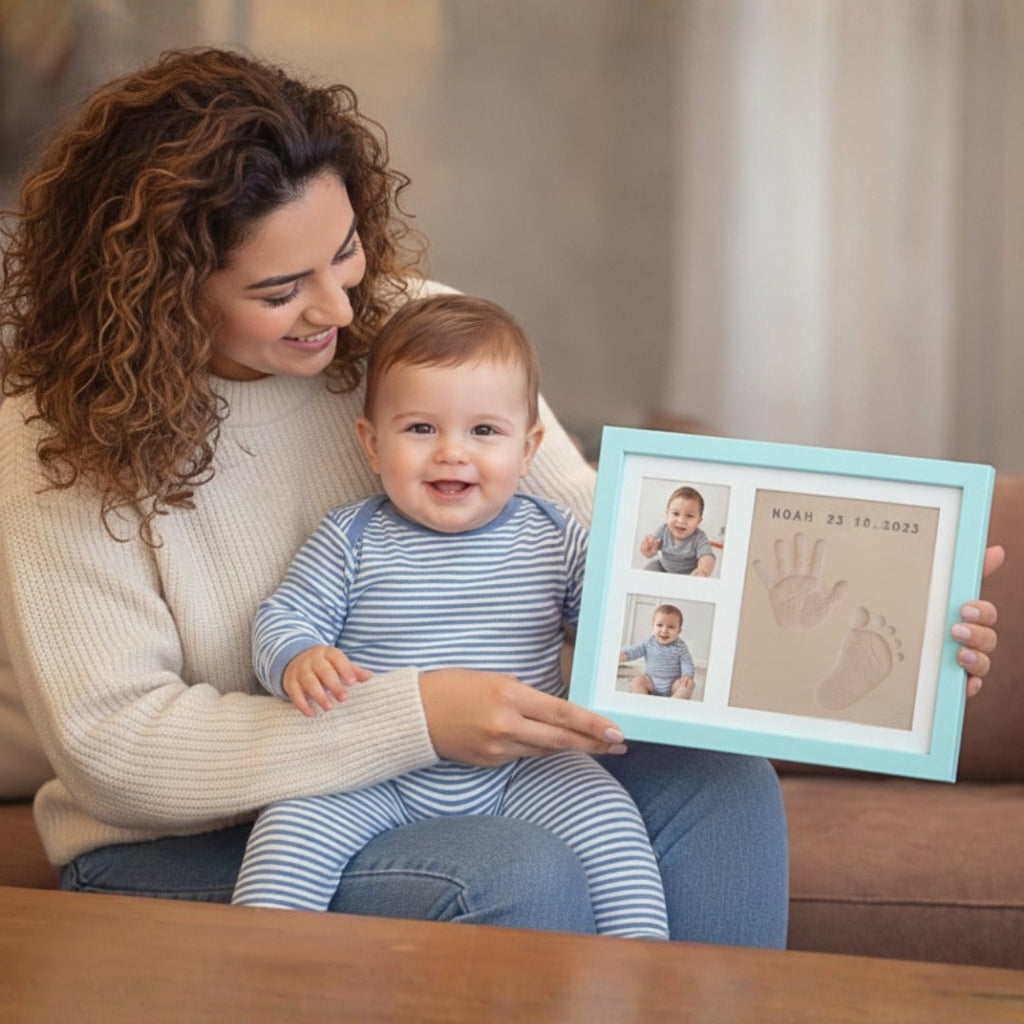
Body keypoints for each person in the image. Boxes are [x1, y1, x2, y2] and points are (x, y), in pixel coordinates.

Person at [0, 48, 1001, 947]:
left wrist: (904, 629)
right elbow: (115, 752)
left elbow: (619, 554)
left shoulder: (403, 331)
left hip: (448, 781)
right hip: (188, 845)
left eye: (344, 249)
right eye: (280, 290)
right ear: (162, 288)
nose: (341, 308)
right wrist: (414, 717)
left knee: (717, 783)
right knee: (520, 872)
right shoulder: (60, 434)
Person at [232, 294, 668, 938]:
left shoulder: (556, 537)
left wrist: (652, 584)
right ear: (372, 444)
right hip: (370, 768)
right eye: (420, 429)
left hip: (525, 765)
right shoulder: (351, 536)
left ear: (529, 449)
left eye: (484, 431)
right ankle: (253, 977)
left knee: (611, 824)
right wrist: (298, 655)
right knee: (286, 834)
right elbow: (286, 614)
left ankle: (635, 970)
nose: (451, 453)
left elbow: (612, 621)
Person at [621, 604, 696, 700]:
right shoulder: (648, 642)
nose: (664, 630)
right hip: (651, 682)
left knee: (688, 685)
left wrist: (687, 675)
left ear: (679, 631)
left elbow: (687, 662)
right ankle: (642, 702)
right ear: (653, 626)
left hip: (673, 684)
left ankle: (673, 705)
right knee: (637, 681)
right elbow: (635, 649)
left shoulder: (681, 647)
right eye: (659, 625)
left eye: (671, 627)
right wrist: (625, 654)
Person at [640, 485, 716, 576]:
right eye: (676, 514)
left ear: (698, 521)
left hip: (688, 574)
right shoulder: (663, 530)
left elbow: (707, 556)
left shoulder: (699, 537)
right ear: (667, 515)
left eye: (689, 516)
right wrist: (649, 550)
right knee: (650, 567)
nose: (681, 520)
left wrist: (702, 570)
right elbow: (653, 550)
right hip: (664, 568)